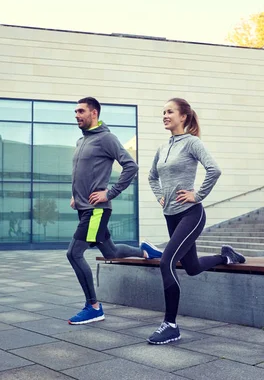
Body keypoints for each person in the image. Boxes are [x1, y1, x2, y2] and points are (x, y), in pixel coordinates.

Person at [144, 97, 246, 345]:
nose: (165, 115)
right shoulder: (163, 147)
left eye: (170, 111)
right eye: (163, 112)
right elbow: (151, 176)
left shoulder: (192, 143)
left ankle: (170, 325)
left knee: (166, 261)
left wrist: (197, 195)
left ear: (183, 117)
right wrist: (160, 197)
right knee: (191, 267)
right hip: (171, 215)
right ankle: (227, 257)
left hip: (191, 214)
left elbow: (214, 170)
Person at [67, 97, 163, 325]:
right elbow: (84, 173)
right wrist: (75, 195)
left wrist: (109, 193)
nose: (76, 115)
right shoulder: (82, 141)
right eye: (75, 112)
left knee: (74, 253)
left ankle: (93, 306)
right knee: (109, 251)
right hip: (84, 208)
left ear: (94, 113)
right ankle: (145, 251)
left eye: (81, 111)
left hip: (96, 210)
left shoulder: (106, 138)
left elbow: (131, 166)